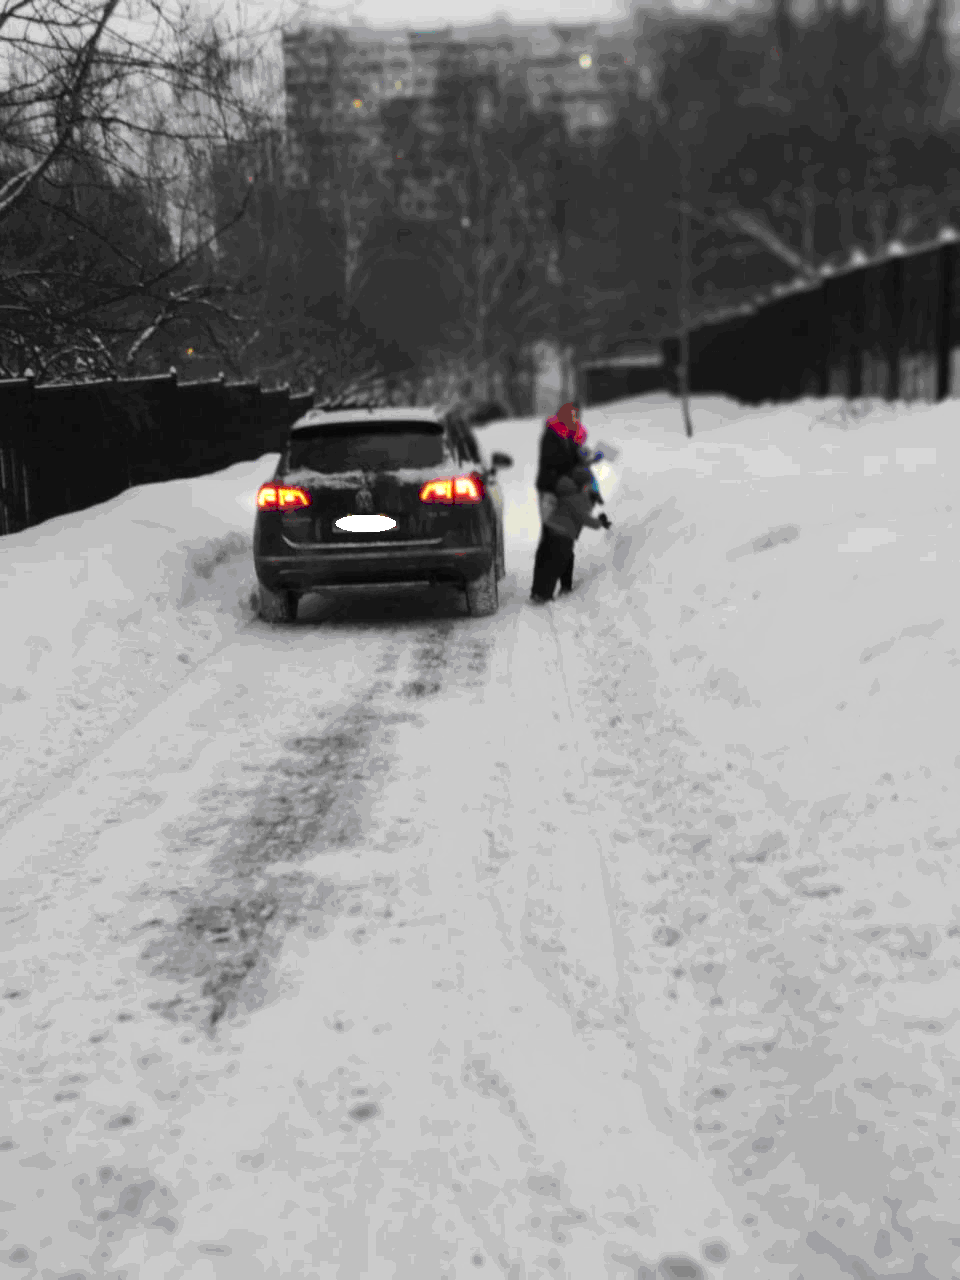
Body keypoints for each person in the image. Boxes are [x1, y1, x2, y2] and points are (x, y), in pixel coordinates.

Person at [530, 465, 612, 604]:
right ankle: (544, 595)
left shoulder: (566, 492)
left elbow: (576, 512)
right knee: (556, 565)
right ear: (582, 484)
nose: (589, 487)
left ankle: (538, 592)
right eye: (588, 484)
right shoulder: (577, 496)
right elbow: (583, 518)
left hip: (551, 531)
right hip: (562, 535)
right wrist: (600, 523)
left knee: (548, 563)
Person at [535, 401, 587, 527]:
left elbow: (574, 457)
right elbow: (554, 459)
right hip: (550, 489)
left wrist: (585, 457)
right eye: (574, 415)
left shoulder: (569, 435)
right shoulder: (552, 433)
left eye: (578, 415)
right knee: (551, 528)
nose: (577, 419)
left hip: (563, 490)